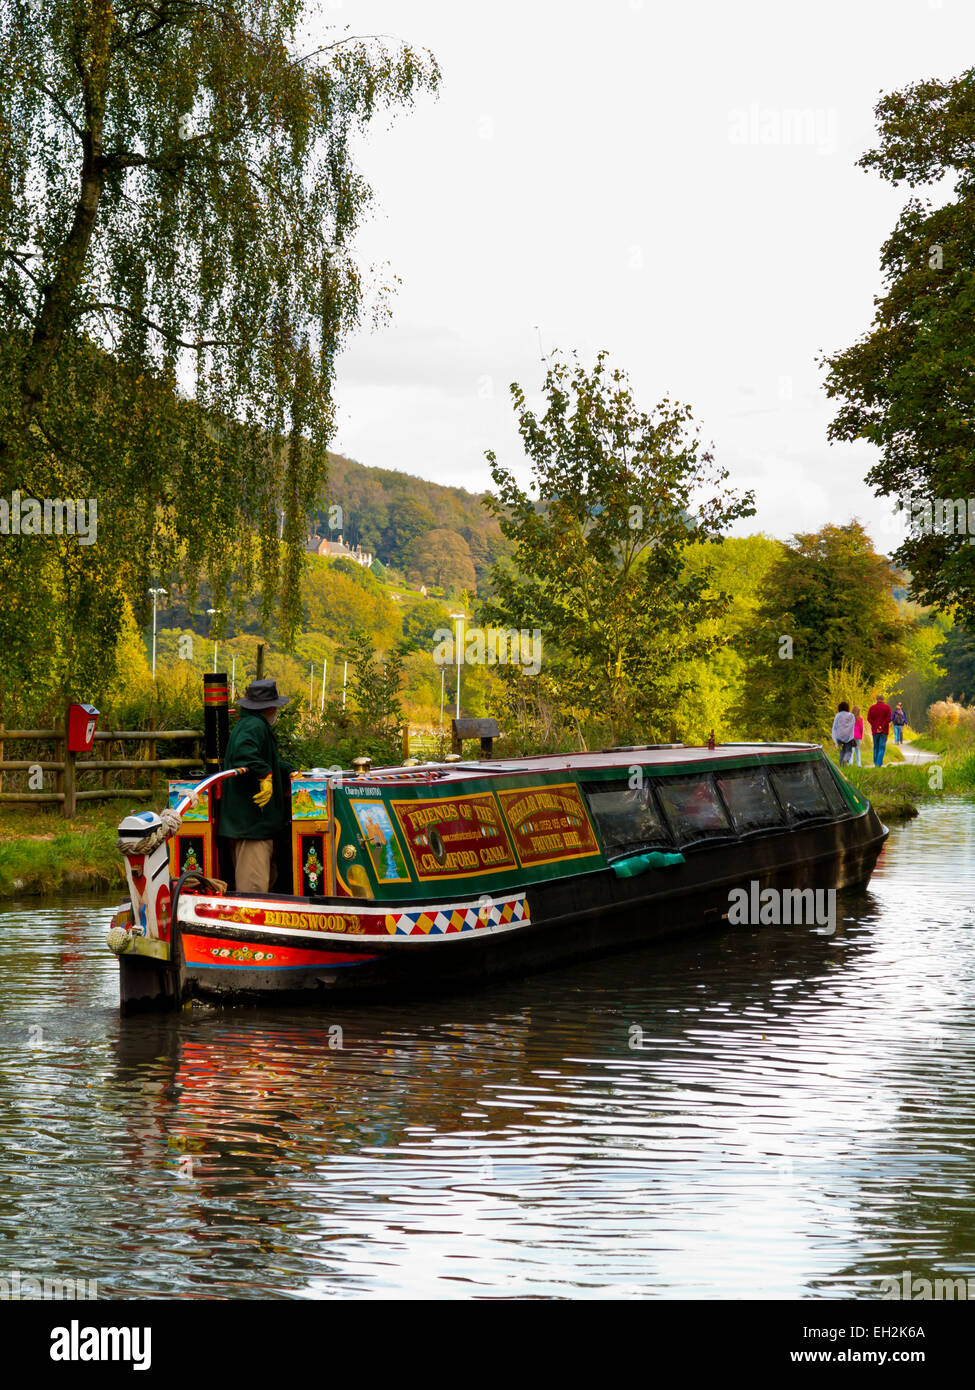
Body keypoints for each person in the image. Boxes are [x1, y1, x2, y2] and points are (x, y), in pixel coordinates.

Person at [219, 678, 294, 894]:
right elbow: (245, 754)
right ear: (271, 707)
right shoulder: (254, 726)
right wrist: (265, 775)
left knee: (266, 880)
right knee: (253, 887)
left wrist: (285, 769)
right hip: (251, 825)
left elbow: (262, 758)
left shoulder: (251, 725)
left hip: (256, 824)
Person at [867, 693, 893, 768]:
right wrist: (881, 727)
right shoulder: (887, 707)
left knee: (876, 747)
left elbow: (869, 718)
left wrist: (876, 727)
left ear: (876, 699)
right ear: (883, 699)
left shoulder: (872, 708)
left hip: (875, 731)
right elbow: (889, 719)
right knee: (882, 747)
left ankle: (876, 763)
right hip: (884, 731)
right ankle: (878, 764)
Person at [831, 700, 857, 766]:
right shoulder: (851, 716)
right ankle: (845, 760)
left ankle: (841, 767)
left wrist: (834, 737)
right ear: (847, 708)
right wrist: (850, 735)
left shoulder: (838, 715)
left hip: (839, 737)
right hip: (848, 737)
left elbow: (835, 726)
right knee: (849, 751)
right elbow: (852, 726)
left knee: (841, 752)